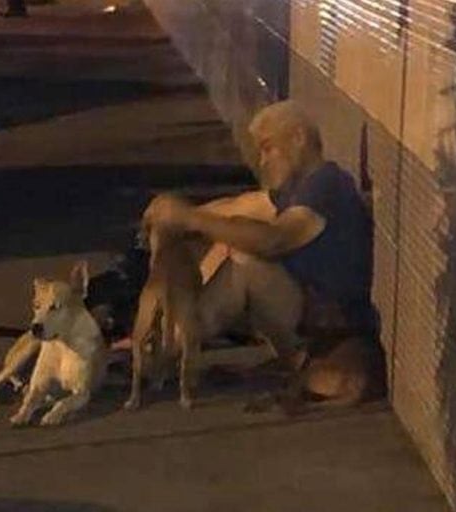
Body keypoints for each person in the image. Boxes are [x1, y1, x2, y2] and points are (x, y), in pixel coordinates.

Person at [144, 100, 374, 371]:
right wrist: (177, 217)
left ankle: (171, 345)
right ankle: (170, 332)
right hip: (308, 315)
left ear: (298, 137)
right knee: (229, 236)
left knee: (246, 261)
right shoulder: (299, 187)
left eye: (268, 148)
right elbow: (240, 206)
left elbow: (275, 241)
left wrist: (190, 218)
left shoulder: (326, 186)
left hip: (332, 328)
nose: (263, 161)